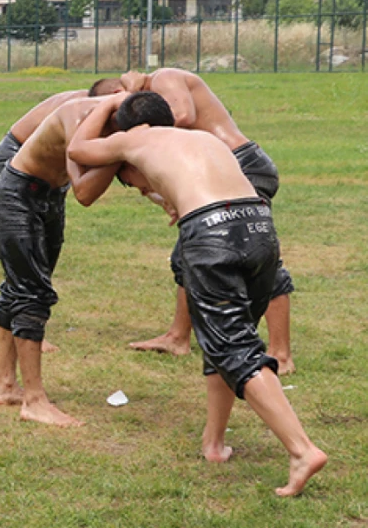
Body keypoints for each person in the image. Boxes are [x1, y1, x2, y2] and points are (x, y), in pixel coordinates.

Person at [67, 90, 326, 497]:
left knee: (233, 347)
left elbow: (78, 148)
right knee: (226, 340)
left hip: (212, 233)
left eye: (124, 176)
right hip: (260, 227)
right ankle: (214, 443)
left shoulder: (136, 137)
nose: (129, 180)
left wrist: (108, 103)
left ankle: (302, 450)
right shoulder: (204, 138)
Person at [118, 69, 295, 374]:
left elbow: (184, 116)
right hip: (226, 166)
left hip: (242, 165)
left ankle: (281, 353)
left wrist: (132, 96)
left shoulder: (164, 76)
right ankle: (178, 336)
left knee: (259, 257)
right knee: (190, 254)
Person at [0, 95, 121, 426]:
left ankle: (4, 384)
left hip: (49, 197)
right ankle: (34, 401)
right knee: (32, 293)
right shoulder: (76, 118)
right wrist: (118, 154)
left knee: (24, 285)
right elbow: (85, 192)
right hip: (20, 195)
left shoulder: (107, 121)